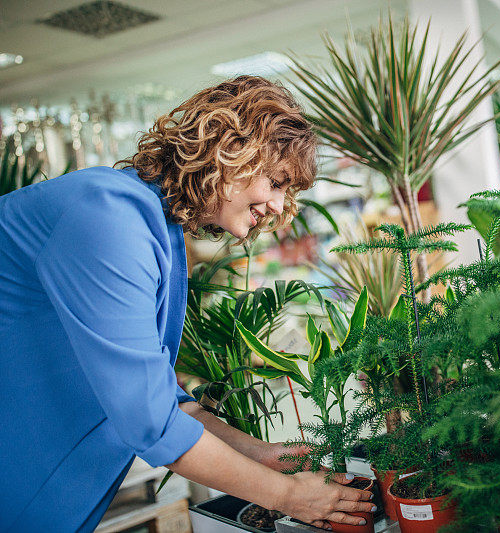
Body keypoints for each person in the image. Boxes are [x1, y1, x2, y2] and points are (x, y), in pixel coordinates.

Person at [0, 75, 375, 532]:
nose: (279, 206)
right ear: (230, 148)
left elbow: (161, 397)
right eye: (276, 183)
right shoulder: (109, 219)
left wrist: (262, 456)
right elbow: (150, 421)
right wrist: (291, 496)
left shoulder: (153, 224)